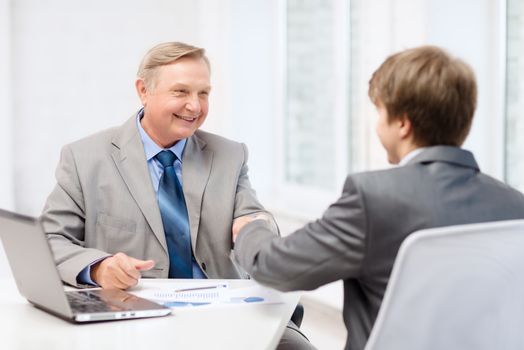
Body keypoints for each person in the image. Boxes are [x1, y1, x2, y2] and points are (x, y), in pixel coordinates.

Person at [232, 45, 524, 350]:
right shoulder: (515, 204)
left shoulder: (374, 198)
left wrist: (252, 228)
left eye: (380, 111)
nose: (377, 124)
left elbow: (276, 269)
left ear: (402, 124)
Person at [42, 42, 312, 349]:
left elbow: (253, 217)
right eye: (181, 92)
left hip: (227, 313)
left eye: (203, 93)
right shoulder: (85, 158)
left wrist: (258, 225)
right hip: (132, 317)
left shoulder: (230, 155)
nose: (195, 106)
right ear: (143, 90)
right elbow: (50, 241)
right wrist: (99, 267)